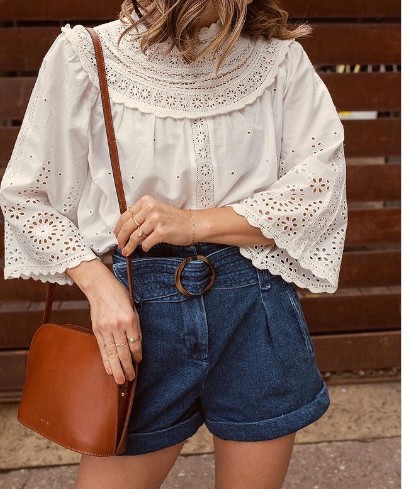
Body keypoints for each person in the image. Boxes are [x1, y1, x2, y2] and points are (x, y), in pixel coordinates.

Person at [0, 0, 348, 487]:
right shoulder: (88, 54)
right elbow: (26, 197)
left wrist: (193, 224)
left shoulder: (277, 59)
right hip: (140, 318)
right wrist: (100, 289)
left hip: (255, 308)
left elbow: (318, 190)